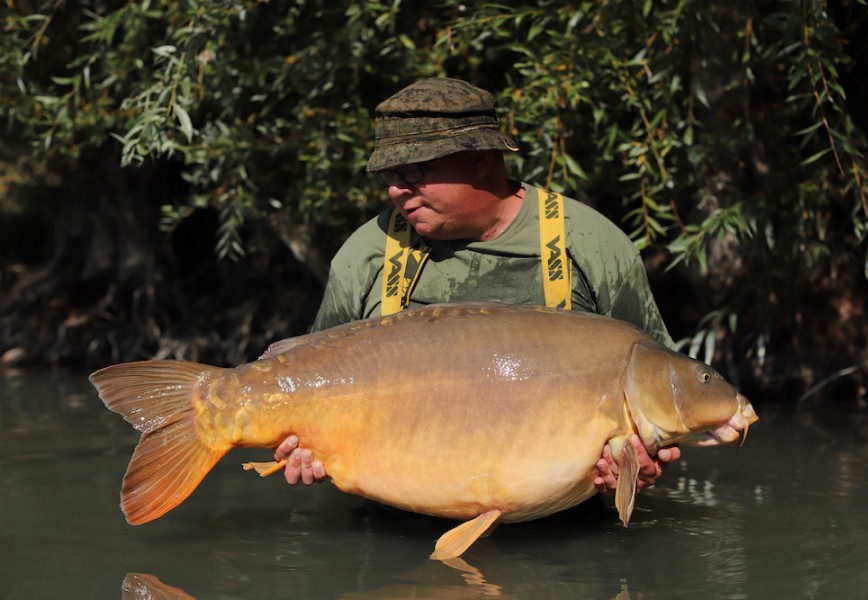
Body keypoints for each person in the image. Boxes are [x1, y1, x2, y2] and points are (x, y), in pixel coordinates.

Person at [274, 77, 680, 497]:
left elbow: (660, 394)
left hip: (565, 532)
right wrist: (303, 447)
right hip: (397, 530)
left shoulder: (590, 244)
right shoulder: (367, 254)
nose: (397, 190)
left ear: (482, 159)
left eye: (414, 170)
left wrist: (641, 464)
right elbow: (307, 378)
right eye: (388, 175)